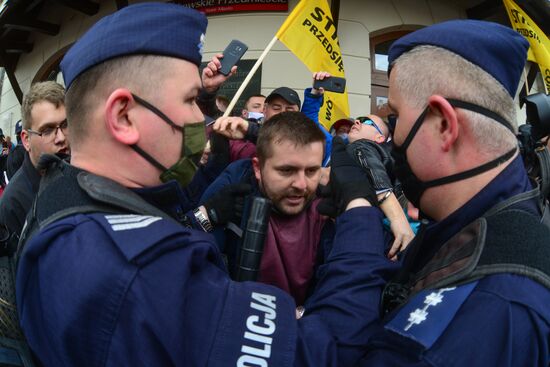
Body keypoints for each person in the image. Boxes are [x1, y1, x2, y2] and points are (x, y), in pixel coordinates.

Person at [16, 4, 398, 366]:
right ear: (124, 116)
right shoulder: (143, 271)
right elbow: (321, 351)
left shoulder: (64, 195)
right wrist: (360, 212)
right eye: (190, 100)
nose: (201, 118)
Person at [332, 20, 549, 365]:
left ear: (445, 125)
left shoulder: (487, 310)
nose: (394, 137)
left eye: (396, 116)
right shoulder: (479, 219)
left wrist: (357, 211)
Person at [201, 111, 329, 305]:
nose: (302, 184)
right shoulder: (233, 191)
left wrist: (305, 314)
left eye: (311, 171)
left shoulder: (328, 210)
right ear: (257, 168)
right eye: (287, 170)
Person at [0, 81, 68, 246]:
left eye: (65, 125)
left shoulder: (84, 173)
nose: (61, 138)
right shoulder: (11, 206)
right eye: (47, 130)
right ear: (26, 140)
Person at [347, 114, 414, 259]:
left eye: (366, 121)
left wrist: (398, 220)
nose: (357, 121)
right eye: (358, 119)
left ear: (379, 138)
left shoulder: (361, 146)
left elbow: (374, 172)